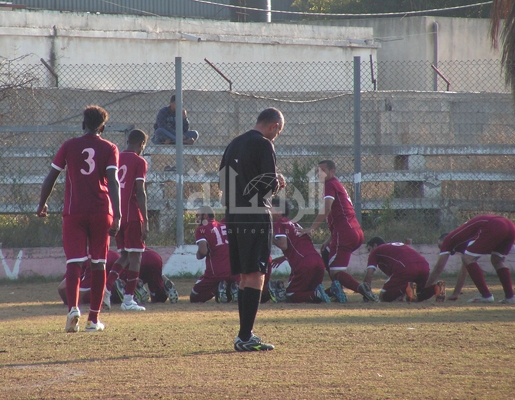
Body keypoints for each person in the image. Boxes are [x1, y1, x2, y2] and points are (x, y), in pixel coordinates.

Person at [37, 105, 121, 333]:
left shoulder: (69, 146)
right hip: (101, 211)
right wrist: (118, 214)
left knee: (74, 262)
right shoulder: (110, 148)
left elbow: (51, 177)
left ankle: (73, 309)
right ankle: (94, 320)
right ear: (102, 127)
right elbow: (113, 181)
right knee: (99, 263)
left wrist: (42, 203)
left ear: (83, 124)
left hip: (74, 211)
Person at [219, 107, 286, 352]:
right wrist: (277, 182)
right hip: (256, 215)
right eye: (278, 131)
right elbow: (267, 184)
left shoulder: (233, 144)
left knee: (245, 276)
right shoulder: (264, 144)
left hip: (234, 215)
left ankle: (243, 334)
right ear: (274, 126)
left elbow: (222, 184)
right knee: (257, 273)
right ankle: (245, 335)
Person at [298, 160, 378, 303]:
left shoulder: (330, 185)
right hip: (353, 231)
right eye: (318, 171)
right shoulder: (335, 184)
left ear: (332, 171)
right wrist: (330, 239)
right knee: (326, 251)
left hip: (345, 233)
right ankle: (337, 289)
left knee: (336, 271)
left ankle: (361, 288)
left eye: (322, 170)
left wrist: (312, 228)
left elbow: (327, 208)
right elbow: (339, 214)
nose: (319, 174)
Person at [103, 129, 149, 312]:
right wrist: (145, 220)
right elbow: (140, 192)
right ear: (141, 144)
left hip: (115, 214)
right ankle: (128, 300)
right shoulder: (139, 161)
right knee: (136, 256)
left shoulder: (116, 157)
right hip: (131, 215)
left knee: (124, 256)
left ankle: (106, 289)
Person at [426, 215, 515, 304]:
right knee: (497, 261)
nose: (441, 249)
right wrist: (456, 293)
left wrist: (424, 289)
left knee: (468, 258)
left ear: (443, 239)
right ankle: (510, 296)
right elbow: (465, 269)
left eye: (439, 245)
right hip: (510, 226)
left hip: (494, 225)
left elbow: (439, 268)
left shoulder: (448, 239)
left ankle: (485, 295)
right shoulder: (466, 239)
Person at [59, 249, 178, 305]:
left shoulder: (77, 262)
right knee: (159, 298)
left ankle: (118, 290)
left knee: (81, 298)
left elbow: (63, 287)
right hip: (149, 255)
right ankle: (157, 283)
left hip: (104, 259)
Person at [271, 198, 330, 303]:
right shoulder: (293, 223)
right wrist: (285, 257)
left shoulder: (279, 223)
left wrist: (269, 237)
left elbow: (283, 245)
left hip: (305, 263)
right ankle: (332, 291)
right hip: (317, 261)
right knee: (307, 291)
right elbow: (299, 245)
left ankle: (317, 294)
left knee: (291, 294)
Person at [363, 237, 446, 303]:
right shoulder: (392, 248)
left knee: (384, 297)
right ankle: (436, 287)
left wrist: (366, 293)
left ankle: (407, 288)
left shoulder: (376, 252)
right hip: (424, 265)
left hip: (407, 268)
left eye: (369, 249)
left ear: (374, 246)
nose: (369, 253)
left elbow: (369, 273)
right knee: (415, 295)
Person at [191, 206, 241, 303]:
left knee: (194, 297)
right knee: (226, 297)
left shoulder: (202, 229)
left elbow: (203, 252)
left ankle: (219, 287)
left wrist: (198, 255)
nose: (196, 219)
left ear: (205, 215)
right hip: (235, 271)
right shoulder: (225, 225)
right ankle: (230, 287)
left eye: (198, 216)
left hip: (216, 273)